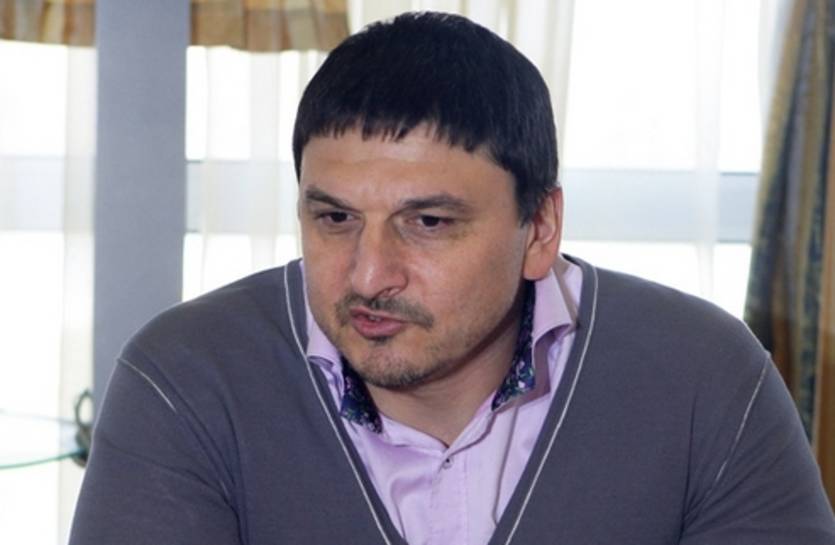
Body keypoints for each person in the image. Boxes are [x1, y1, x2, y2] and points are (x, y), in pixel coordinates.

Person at [69, 11, 835, 545]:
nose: (369, 273)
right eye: (333, 217)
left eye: (428, 222)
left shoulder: (705, 377)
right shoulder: (186, 377)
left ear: (539, 229)